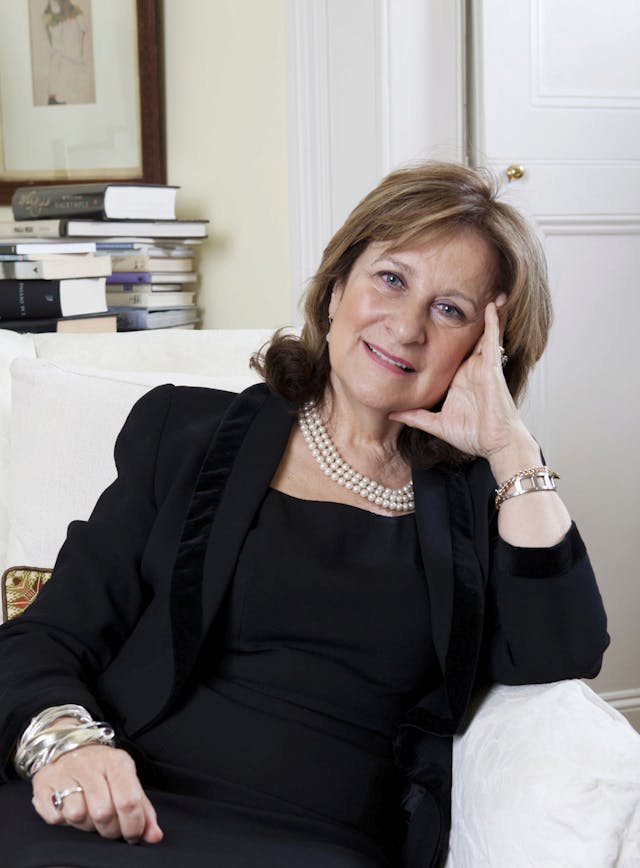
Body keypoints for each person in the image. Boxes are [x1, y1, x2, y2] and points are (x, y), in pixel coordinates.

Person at [0, 162, 608, 868]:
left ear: (484, 351)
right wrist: (67, 745)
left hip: (310, 842)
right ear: (337, 286)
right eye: (391, 278)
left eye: (451, 310)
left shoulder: (485, 499)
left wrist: (511, 449)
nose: (407, 325)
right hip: (116, 804)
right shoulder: (185, 434)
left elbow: (561, 652)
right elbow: (47, 634)